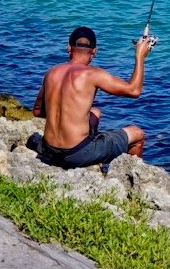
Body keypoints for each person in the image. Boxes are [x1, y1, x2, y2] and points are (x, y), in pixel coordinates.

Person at [30, 27, 152, 169]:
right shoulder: (92, 74)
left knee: (95, 112)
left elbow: (37, 112)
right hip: (75, 154)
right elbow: (134, 90)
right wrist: (140, 56)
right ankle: (128, 177)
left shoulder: (51, 72)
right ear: (94, 51)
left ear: (69, 48)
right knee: (137, 134)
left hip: (49, 149)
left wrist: (61, 114)